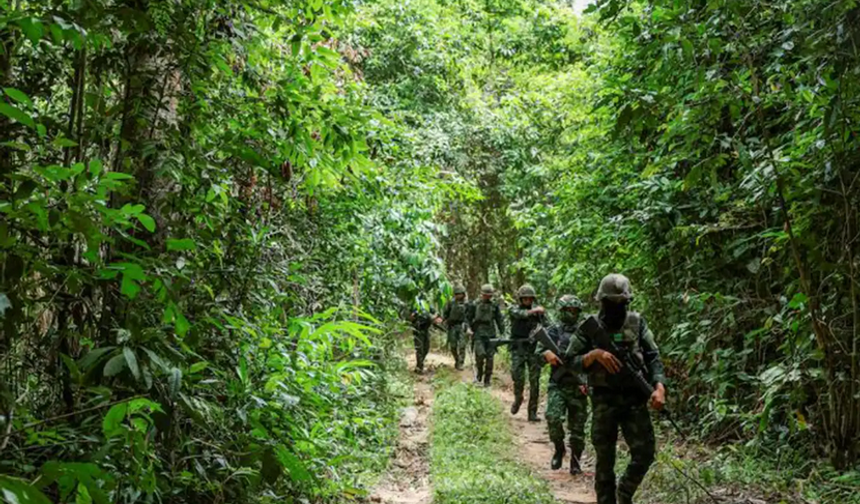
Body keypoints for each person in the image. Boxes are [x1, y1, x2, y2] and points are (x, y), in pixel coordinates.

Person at [560, 274, 667, 504]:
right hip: (604, 400)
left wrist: (659, 388)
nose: (616, 307)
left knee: (645, 453)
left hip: (634, 399)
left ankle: (624, 492)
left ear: (627, 302)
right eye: (611, 303)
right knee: (605, 460)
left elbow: (653, 357)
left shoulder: (637, 323)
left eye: (621, 303)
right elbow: (568, 361)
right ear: (602, 301)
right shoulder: (590, 327)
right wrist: (594, 355)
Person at [538, 294, 589, 474]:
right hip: (557, 384)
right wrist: (546, 354)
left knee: (577, 428)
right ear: (561, 311)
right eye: (568, 310)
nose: (572, 313)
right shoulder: (553, 331)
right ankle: (559, 449)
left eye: (575, 310)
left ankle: (575, 461)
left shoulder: (585, 332)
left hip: (578, 384)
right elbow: (538, 352)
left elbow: (593, 359)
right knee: (553, 418)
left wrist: (587, 381)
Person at [509, 283, 548, 422]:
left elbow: (549, 326)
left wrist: (541, 314)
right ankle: (518, 398)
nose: (528, 301)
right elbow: (519, 314)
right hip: (518, 348)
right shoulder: (514, 309)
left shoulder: (538, 313)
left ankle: (532, 412)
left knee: (534, 381)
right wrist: (534, 311)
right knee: (518, 377)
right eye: (525, 298)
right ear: (520, 299)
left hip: (533, 349)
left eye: (530, 298)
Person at [466, 284, 505, 386]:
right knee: (480, 355)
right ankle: (479, 375)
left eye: (490, 295)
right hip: (478, 333)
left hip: (491, 334)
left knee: (490, 358)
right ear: (481, 294)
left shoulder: (494, 305)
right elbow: (468, 318)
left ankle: (487, 380)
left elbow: (499, 319)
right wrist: (468, 329)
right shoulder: (474, 304)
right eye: (486, 295)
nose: (488, 297)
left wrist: (502, 332)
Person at [409, 299, 441, 373]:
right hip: (418, 330)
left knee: (426, 348)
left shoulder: (428, 305)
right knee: (419, 349)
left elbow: (436, 313)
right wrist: (412, 316)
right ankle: (419, 367)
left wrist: (434, 317)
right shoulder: (414, 305)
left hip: (426, 329)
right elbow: (409, 317)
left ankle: (419, 365)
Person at [442, 284, 470, 370]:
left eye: (460, 294)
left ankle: (461, 363)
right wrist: (445, 321)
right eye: (457, 294)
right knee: (453, 346)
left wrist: (468, 327)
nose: (459, 295)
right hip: (452, 326)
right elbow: (445, 314)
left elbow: (469, 316)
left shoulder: (467, 304)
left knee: (462, 346)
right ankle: (457, 360)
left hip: (462, 326)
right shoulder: (450, 303)